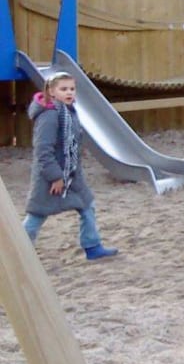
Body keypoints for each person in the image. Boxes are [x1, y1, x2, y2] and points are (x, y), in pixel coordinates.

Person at [22, 72, 119, 260]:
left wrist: (69, 172)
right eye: (63, 89)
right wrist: (55, 176)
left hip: (71, 173)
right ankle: (18, 252)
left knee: (87, 205)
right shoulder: (49, 115)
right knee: (37, 214)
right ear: (51, 91)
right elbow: (43, 150)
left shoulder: (68, 111)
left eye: (72, 89)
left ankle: (92, 246)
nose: (69, 93)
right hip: (50, 177)